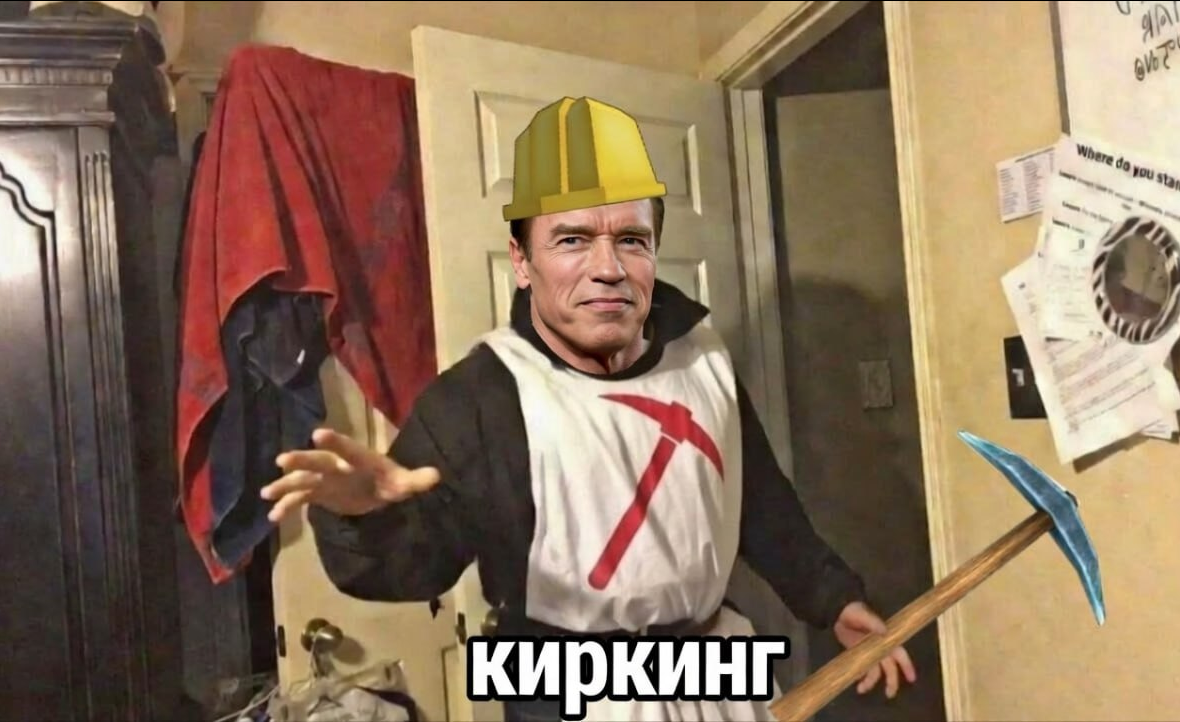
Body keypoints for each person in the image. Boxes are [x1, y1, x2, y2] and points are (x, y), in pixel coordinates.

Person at [262, 96, 916, 721]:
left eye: (630, 239)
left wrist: (833, 598)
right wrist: (362, 517)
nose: (608, 268)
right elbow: (411, 568)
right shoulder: (480, 399)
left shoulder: (702, 359)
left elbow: (759, 505)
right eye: (572, 240)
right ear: (522, 261)